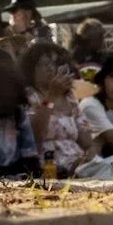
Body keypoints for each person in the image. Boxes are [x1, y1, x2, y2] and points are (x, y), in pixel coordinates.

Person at [24, 41, 94, 179]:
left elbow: (86, 141)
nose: (51, 68)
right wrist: (51, 97)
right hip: (52, 167)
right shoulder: (29, 96)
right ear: (32, 69)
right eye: (44, 64)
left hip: (79, 164)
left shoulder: (68, 98)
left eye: (54, 64)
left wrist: (91, 151)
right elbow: (37, 134)